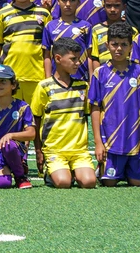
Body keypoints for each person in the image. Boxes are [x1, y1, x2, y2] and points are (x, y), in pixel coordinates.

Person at [89, 26, 140, 186]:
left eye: (124, 44)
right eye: (115, 44)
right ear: (107, 45)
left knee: (137, 183)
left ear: (131, 47)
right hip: (110, 141)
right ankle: (102, 168)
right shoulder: (100, 73)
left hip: (135, 141)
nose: (119, 48)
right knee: (110, 184)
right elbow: (95, 108)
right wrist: (98, 143)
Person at [31, 37, 94, 188]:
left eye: (79, 59)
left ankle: (73, 171)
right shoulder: (44, 86)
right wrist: (38, 151)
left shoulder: (83, 86)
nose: (78, 63)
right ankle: (53, 172)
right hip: (55, 150)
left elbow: (87, 116)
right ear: (58, 58)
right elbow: (36, 119)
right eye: (73, 59)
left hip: (79, 151)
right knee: (63, 182)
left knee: (89, 182)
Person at [0, 0, 48, 108]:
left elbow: (47, 48)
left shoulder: (44, 14)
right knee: (13, 117)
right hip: (11, 76)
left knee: (36, 117)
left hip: (36, 76)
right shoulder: (2, 14)